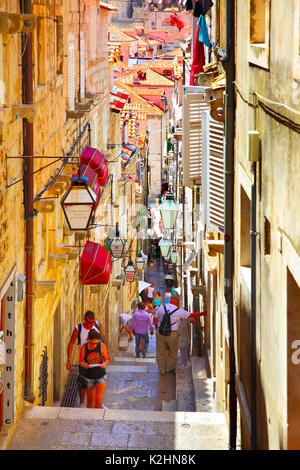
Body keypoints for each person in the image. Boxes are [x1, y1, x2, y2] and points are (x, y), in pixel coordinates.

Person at [154, 294, 206, 375]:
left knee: (160, 352)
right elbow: (192, 315)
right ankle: (169, 369)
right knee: (173, 352)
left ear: (170, 300)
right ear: (178, 302)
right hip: (173, 334)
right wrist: (203, 313)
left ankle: (162, 370)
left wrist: (157, 327)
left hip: (160, 333)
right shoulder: (179, 311)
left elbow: (155, 319)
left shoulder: (161, 307)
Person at [66, 310, 106, 407]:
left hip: (97, 359)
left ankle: (99, 401)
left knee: (99, 379)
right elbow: (71, 343)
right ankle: (82, 402)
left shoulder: (97, 325)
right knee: (82, 382)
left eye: (92, 322)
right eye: (89, 322)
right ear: (84, 320)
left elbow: (102, 338)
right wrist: (69, 360)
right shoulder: (78, 329)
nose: (91, 324)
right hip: (84, 360)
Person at [78, 330, 110, 408]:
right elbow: (80, 362)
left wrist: (104, 364)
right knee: (90, 402)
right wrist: (84, 365)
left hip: (101, 375)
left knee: (98, 401)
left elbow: (107, 359)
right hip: (89, 377)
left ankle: (98, 419)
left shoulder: (102, 346)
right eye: (92, 343)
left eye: (96, 343)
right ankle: (91, 419)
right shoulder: (84, 347)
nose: (94, 345)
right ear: (88, 340)